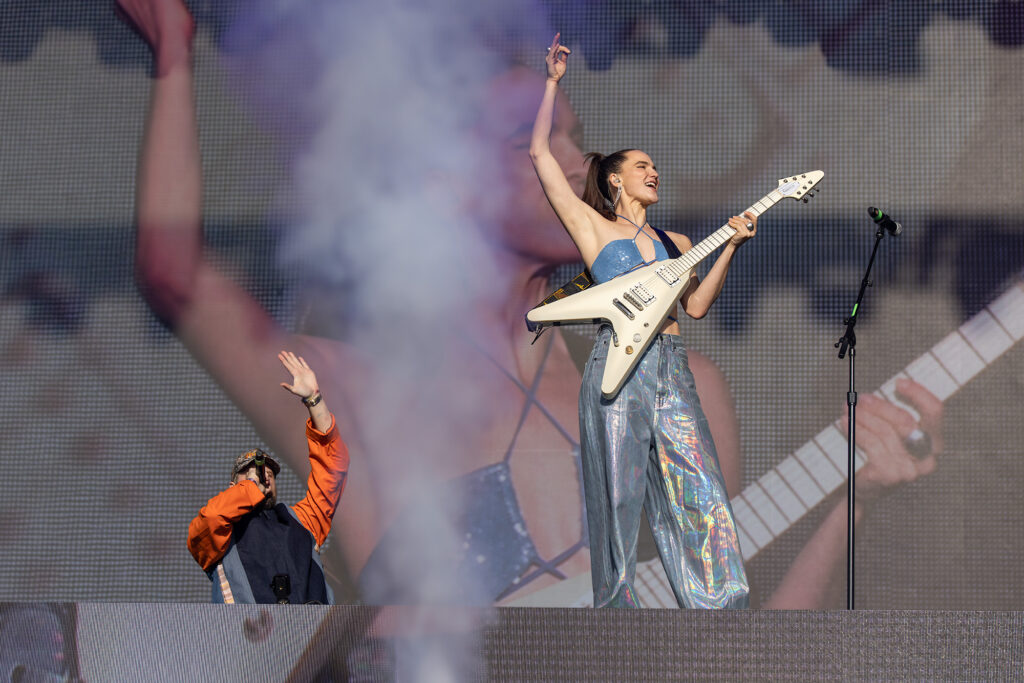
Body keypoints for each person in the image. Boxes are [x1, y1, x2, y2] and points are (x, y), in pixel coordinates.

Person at [118, 0, 939, 610]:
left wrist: (852, 499)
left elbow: (730, 653)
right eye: (534, 145)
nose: (582, 167)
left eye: (578, 140)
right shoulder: (360, 396)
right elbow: (175, 273)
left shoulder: (679, 393)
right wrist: (174, 54)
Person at [530, 34, 759, 609]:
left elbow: (697, 308)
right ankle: (617, 613)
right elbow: (540, 159)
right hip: (617, 369)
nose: (653, 172)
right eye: (641, 166)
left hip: (672, 368)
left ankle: (720, 609)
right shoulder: (593, 230)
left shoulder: (676, 242)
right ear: (615, 180)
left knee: (701, 489)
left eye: (655, 166)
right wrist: (552, 84)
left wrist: (728, 246)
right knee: (618, 492)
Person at [187, 350, 348, 604]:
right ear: (233, 487)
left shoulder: (302, 521)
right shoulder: (217, 537)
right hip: (253, 639)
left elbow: (333, 467)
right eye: (248, 472)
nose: (263, 476)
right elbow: (212, 518)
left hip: (313, 637)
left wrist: (314, 400)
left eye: (268, 473)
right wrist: (251, 489)